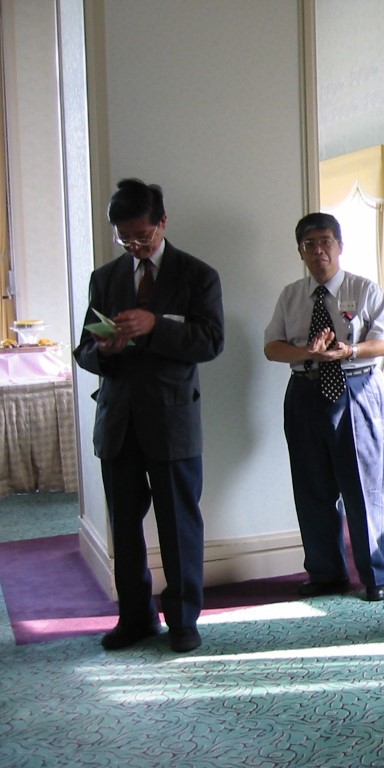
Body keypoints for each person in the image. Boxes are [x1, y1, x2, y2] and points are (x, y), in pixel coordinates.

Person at [74, 178, 225, 653]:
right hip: (117, 420)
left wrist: (155, 325)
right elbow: (83, 349)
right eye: (124, 238)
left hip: (172, 420)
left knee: (179, 526)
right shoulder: (105, 278)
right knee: (124, 526)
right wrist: (105, 350)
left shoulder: (197, 275)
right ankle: (135, 617)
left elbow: (211, 341)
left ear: (162, 222)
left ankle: (182, 619)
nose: (134, 246)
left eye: (141, 236)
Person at [264, 212, 384, 602]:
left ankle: (375, 574)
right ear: (300, 252)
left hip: (356, 390)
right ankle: (326, 573)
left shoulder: (365, 289)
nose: (318, 250)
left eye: (325, 242)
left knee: (363, 487)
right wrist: (308, 352)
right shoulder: (291, 295)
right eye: (309, 244)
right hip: (305, 391)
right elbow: (272, 347)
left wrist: (350, 350)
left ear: (339, 246)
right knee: (312, 487)